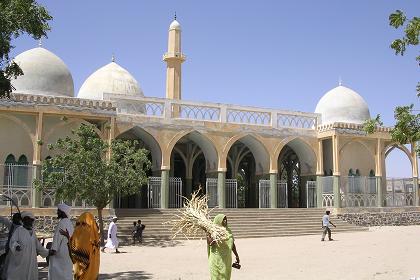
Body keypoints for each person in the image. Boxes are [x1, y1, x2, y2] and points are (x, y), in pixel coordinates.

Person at [6, 211, 49, 280]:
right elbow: (13, 241)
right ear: (24, 221)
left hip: (31, 259)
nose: (29, 222)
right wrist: (16, 246)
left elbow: (38, 246)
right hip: (21, 259)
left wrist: (47, 252)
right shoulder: (19, 230)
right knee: (18, 275)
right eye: (27, 220)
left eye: (31, 220)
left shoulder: (32, 232)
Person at [60, 212, 100, 280]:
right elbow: (74, 255)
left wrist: (69, 239)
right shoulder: (95, 239)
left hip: (88, 273)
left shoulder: (93, 240)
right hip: (91, 273)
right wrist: (68, 238)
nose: (80, 227)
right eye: (78, 224)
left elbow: (74, 255)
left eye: (84, 224)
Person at [207, 214, 240, 280]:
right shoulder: (211, 231)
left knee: (226, 277)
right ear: (218, 221)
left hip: (226, 259)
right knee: (215, 277)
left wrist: (236, 255)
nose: (225, 221)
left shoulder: (228, 230)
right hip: (216, 259)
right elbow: (210, 243)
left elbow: (232, 244)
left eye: (226, 219)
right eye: (223, 219)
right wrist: (217, 237)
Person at [48, 203, 74, 280]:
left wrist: (53, 250)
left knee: (57, 272)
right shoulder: (69, 222)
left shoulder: (62, 223)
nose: (57, 212)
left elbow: (57, 238)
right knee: (66, 271)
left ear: (63, 212)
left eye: (58, 211)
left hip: (60, 252)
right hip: (67, 252)